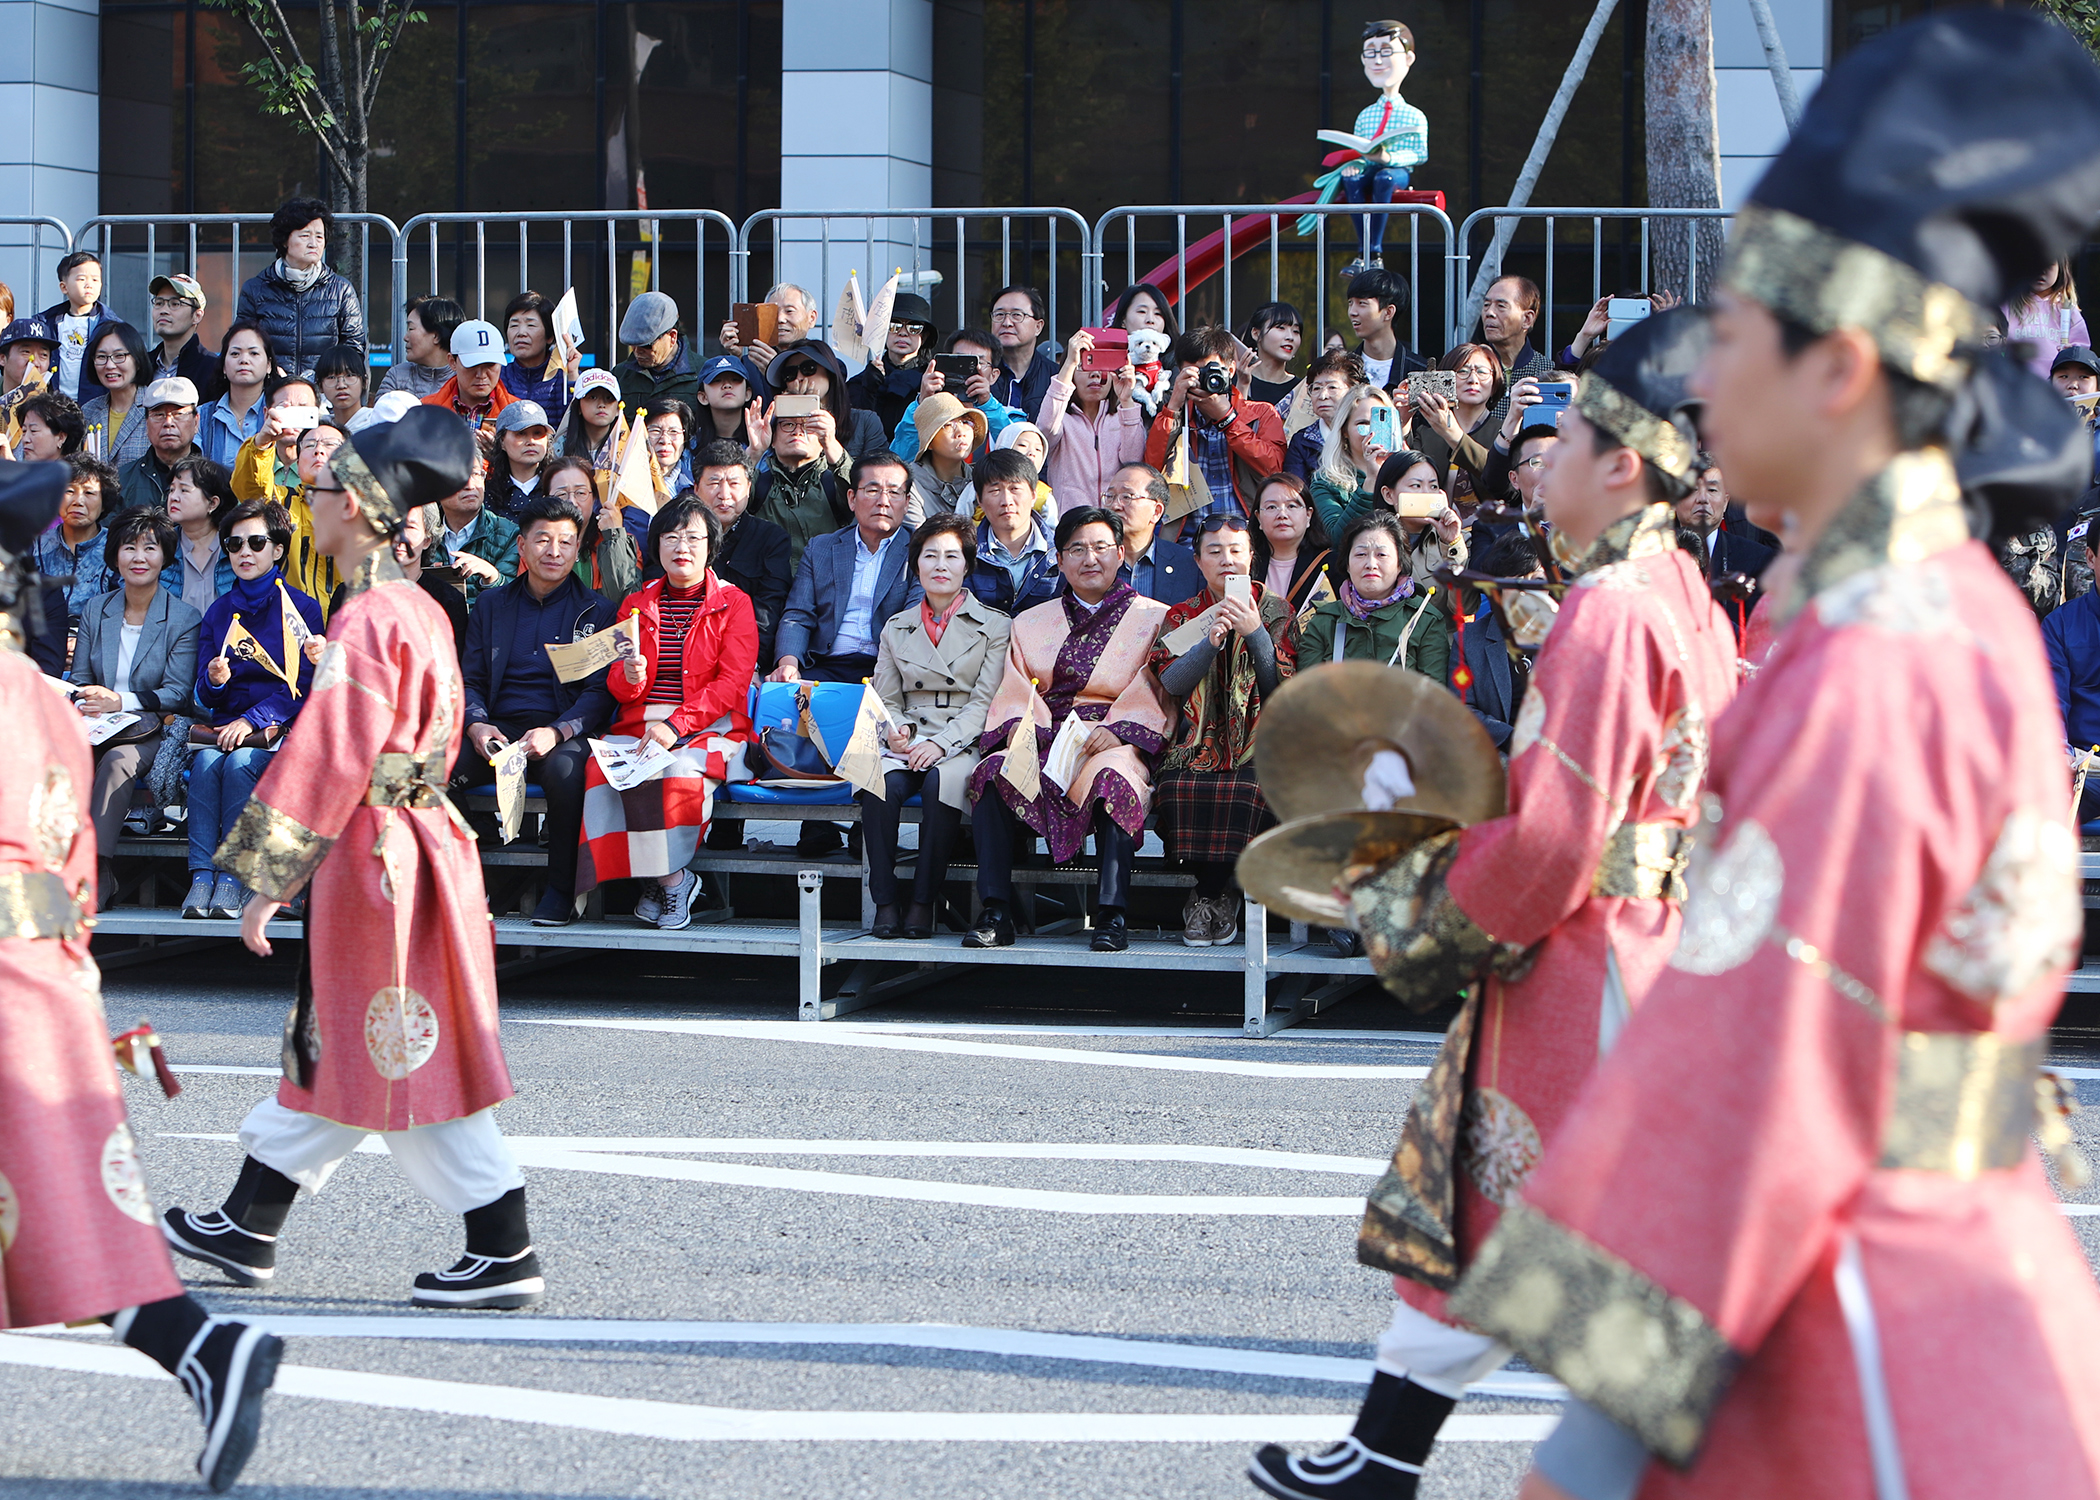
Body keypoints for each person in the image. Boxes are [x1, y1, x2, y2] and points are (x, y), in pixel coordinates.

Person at [1249, 308, 1740, 1500]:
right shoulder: (1684, 590)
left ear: (1619, 467)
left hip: (1586, 957)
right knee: (1538, 1211)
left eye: (1562, 444)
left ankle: (1404, 1453)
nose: (1538, 465)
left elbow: (1562, 833)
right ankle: (1384, 1450)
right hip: (1652, 941)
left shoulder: (1611, 610)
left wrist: (1422, 904)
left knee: (1547, 1211)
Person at [163, 405, 545, 1314]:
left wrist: (267, 877)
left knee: (396, 1041)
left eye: (321, 489)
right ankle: (249, 1219)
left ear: (357, 509)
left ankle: (503, 1244)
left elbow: (331, 750)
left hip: (382, 852)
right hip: (415, 837)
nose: (309, 502)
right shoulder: (415, 607)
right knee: (350, 1034)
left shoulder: (366, 616)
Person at [0, 463, 282, 1494]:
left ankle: (203, 1345)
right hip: (46, 969)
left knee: (52, 1201)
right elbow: (73, 856)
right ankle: (203, 1348)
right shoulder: (40, 697)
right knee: (54, 1200)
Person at [964, 505, 1171, 953]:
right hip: (1046, 732)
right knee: (993, 773)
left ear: (1120, 554)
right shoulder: (1029, 621)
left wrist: (1120, 730)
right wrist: (1033, 733)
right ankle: (996, 911)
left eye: (1101, 547)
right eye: (1077, 549)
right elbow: (1017, 688)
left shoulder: (1156, 618)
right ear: (1059, 560)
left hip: (1111, 735)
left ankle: (1112, 914)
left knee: (1113, 779)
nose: (1089, 558)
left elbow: (1156, 689)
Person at [577, 492, 759, 931]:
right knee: (601, 771)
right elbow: (619, 689)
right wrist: (630, 675)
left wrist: (676, 725)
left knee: (674, 770)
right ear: (656, 544)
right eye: (671, 537)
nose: (682, 547)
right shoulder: (634, 604)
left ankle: (663, 883)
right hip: (639, 723)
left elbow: (732, 685)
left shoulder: (734, 603)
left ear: (711, 546)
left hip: (711, 725)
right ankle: (672, 880)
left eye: (694, 538)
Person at [460, 493, 616, 927]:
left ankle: (560, 891)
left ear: (578, 548)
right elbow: (470, 678)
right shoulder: (491, 605)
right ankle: (475, 881)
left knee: (567, 775)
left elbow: (599, 693)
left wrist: (557, 732)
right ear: (522, 546)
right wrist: (476, 725)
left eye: (566, 542)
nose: (554, 551)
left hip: (559, 729)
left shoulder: (597, 611)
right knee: (436, 771)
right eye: (543, 539)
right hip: (498, 726)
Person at [1148, 511, 1298, 947]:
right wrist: (1208, 643)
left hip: (1260, 740)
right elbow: (1171, 682)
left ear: (1252, 557)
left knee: (1251, 789)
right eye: (1214, 551)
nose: (1226, 560)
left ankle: (1209, 895)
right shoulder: (1183, 614)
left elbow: (1281, 689)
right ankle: (1217, 896)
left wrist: (1255, 634)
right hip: (1197, 740)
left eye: (1236, 550)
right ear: (1198, 561)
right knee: (1178, 787)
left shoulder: (1277, 611)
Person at [861, 513, 1012, 939]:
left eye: (951, 556)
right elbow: (887, 699)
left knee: (939, 783)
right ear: (916, 565)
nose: (940, 565)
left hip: (962, 739)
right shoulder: (896, 627)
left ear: (967, 565)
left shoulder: (996, 625)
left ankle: (922, 901)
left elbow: (985, 701)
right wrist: (897, 731)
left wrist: (942, 743)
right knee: (877, 781)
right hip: (909, 737)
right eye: (930, 556)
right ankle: (885, 900)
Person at [182, 499, 324, 921]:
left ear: (278, 549)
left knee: (240, 763)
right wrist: (215, 681)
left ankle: (233, 877)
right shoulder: (218, 611)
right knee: (206, 762)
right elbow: (204, 696)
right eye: (234, 544)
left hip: (278, 731)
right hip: (226, 730)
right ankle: (201, 876)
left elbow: (303, 687)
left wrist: (251, 720)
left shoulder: (302, 608)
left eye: (256, 543)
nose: (244, 552)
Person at [69, 507, 203, 907]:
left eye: (150, 548)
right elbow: (80, 680)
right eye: (129, 547)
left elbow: (178, 693)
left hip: (150, 729)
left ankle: (95, 870)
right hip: (95, 723)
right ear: (115, 556)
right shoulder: (97, 609)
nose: (139, 557)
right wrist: (87, 701)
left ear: (164, 556)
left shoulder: (183, 618)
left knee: (117, 762)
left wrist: (120, 701)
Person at [772, 453, 917, 688]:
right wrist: (788, 664)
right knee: (778, 697)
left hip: (887, 669)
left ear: (907, 502)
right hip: (825, 665)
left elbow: (915, 620)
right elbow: (798, 615)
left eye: (894, 492)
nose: (883, 501)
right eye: (872, 490)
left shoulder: (920, 551)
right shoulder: (821, 549)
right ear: (852, 498)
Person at [1142, 325, 1289, 533]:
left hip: (1246, 535)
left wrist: (1227, 420)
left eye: (1210, 370)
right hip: (1187, 538)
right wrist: (1173, 406)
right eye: (1194, 373)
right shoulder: (1175, 416)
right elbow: (1151, 471)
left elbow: (1274, 470)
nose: (1204, 380)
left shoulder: (1261, 413)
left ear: (1231, 370)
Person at [1291, 510, 1453, 682]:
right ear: (1347, 564)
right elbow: (1308, 691)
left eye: (1381, 555)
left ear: (1400, 563)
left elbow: (1433, 693)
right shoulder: (1324, 621)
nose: (1371, 564)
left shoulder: (1424, 620)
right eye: (1361, 554)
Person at [234, 197, 367, 372]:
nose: (314, 244)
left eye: (319, 236)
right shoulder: (255, 289)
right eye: (305, 236)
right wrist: (272, 374)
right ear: (284, 241)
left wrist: (324, 378)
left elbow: (354, 348)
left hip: (323, 386)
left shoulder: (341, 290)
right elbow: (241, 344)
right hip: (271, 384)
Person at [691, 440, 790, 666]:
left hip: (744, 656)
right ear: (696, 488)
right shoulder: (679, 535)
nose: (724, 494)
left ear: (748, 487)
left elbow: (768, 611)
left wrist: (748, 662)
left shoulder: (771, 539)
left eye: (734, 483)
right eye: (714, 483)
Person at [1038, 326, 1146, 514]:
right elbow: (1045, 431)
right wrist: (1069, 364)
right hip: (1071, 521)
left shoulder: (1123, 415)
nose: (1095, 374)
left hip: (1114, 520)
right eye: (1085, 365)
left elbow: (1134, 461)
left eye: (1104, 365)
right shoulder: (1060, 417)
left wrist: (1127, 400)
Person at [752, 384, 853, 567]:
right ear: (773, 439)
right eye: (788, 424)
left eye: (808, 425)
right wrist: (754, 451)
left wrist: (831, 443)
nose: (797, 431)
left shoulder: (833, 483)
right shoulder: (759, 484)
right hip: (767, 582)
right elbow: (724, 500)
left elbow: (862, 496)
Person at [887, 328, 1025, 461]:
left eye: (977, 362)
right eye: (959, 361)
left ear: (994, 375)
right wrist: (924, 403)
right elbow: (899, 460)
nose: (968, 371)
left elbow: (1019, 461)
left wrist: (987, 404)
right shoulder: (919, 410)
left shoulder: (1010, 417)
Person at [966, 448, 1060, 614]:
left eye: (1015, 489)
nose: (1006, 501)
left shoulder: (1059, 551)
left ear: (1033, 495)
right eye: (995, 491)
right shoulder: (965, 554)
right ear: (979, 500)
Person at [544, 452, 642, 609]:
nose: (572, 502)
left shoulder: (623, 542)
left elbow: (625, 601)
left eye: (580, 493)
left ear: (594, 497)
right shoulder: (537, 544)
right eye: (561, 494)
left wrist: (614, 538)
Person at [1408, 342, 1502, 505]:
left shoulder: (1505, 432)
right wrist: (1403, 422)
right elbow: (1405, 479)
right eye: (1463, 371)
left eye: (1482, 372)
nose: (1473, 379)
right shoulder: (1427, 434)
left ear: (1494, 383)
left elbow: (1504, 482)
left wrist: (1453, 434)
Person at [34, 451, 118, 626]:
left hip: (96, 636)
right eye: (69, 491)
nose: (78, 501)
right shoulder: (36, 547)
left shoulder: (116, 548)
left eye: (89, 493)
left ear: (104, 503)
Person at [767, 342, 887, 462]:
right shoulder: (777, 426)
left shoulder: (865, 422)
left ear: (829, 373)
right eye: (790, 374)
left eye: (809, 369)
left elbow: (878, 471)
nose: (799, 378)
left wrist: (831, 444)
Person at [1311, 381, 1403, 536]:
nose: (1372, 431)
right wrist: (1370, 482)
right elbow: (1337, 538)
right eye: (1363, 423)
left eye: (1380, 422)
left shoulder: (1405, 472)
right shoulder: (1325, 481)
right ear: (1344, 430)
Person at [1103, 461, 1200, 606]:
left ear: (1156, 512)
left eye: (1127, 497)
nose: (1115, 505)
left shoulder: (1189, 566)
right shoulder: (1090, 560)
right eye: (1110, 496)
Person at [426, 453, 519, 605]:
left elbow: (516, 600)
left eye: (475, 474)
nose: (470, 485)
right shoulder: (422, 534)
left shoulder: (510, 534)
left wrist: (493, 578)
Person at [846, 291, 938, 438]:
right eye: (894, 325)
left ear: (924, 336)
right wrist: (868, 390)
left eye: (914, 328)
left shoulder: (934, 382)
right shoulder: (861, 382)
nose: (903, 333)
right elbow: (853, 431)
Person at [384, 501, 468, 648]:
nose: (399, 536)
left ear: (427, 541)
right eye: (392, 525)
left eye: (409, 527)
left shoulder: (447, 599)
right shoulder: (352, 593)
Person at [1677, 460, 1777, 581]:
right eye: (1693, 489)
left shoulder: (1756, 558)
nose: (1703, 499)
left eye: (1712, 490)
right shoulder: (1657, 553)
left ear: (1725, 502)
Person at [162, 454, 237, 612]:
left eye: (184, 490)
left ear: (213, 503)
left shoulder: (235, 547)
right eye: (171, 490)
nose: (173, 497)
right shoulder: (161, 545)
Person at [117, 375, 203, 512]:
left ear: (196, 422)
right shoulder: (123, 479)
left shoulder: (212, 479)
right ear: (146, 423)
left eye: (178, 414)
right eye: (158, 415)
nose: (168, 423)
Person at [1250, 471, 1334, 611]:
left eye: (1292, 506)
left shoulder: (1331, 565)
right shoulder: (1246, 565)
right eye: (1271, 507)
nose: (1282, 514)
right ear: (1258, 517)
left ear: (1308, 515)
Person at [1477, 275, 1553, 425]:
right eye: (1486, 305)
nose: (1489, 312)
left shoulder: (1546, 371)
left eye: (1501, 306)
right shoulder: (1467, 369)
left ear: (1527, 319)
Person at [1284, 348, 1367, 485]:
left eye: (1332, 388)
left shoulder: (1367, 433)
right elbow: (1295, 490)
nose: (1323, 396)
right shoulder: (1302, 441)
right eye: (1316, 388)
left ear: (1353, 390)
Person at [197, 321, 274, 467]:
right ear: (224, 367)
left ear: (268, 365)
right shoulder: (202, 417)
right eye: (235, 354)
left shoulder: (278, 414)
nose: (244, 360)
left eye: (254, 353)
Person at [79, 319, 154, 468]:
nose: (110, 365)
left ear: (137, 360)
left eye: (119, 356)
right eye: (101, 357)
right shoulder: (88, 411)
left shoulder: (154, 407)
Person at [39, 248, 111, 402]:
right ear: (64, 287)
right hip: (56, 403)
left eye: (95, 279)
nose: (89, 285)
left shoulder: (110, 324)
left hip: (96, 402)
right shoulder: (47, 322)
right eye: (81, 279)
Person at [499, 290, 576, 427]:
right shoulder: (498, 376)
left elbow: (576, 423)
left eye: (531, 325)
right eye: (514, 325)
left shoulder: (564, 377)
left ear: (550, 336)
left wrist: (573, 375)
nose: (521, 333)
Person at [905, 391, 986, 522]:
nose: (961, 432)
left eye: (965, 422)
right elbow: (916, 533)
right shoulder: (909, 486)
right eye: (948, 425)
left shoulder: (982, 480)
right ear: (929, 442)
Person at [2004, 257, 2089, 380]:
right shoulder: (2007, 306)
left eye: (2049, 264)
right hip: (2015, 382)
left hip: (2054, 385)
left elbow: (2081, 352)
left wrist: (2072, 353)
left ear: (2060, 269)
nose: (2041, 270)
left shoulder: (2067, 310)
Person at [1345, 267, 1431, 389]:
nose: (1352, 312)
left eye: (1362, 303)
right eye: (1350, 303)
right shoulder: (1342, 369)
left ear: (1389, 312)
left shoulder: (1419, 372)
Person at [424, 319, 515, 433]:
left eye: (490, 365)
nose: (481, 375)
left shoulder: (521, 415)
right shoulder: (424, 411)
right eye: (472, 365)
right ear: (452, 362)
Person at [612, 290, 697, 410]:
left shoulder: (703, 376)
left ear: (672, 337)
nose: (637, 351)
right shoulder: (619, 376)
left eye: (647, 345)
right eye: (633, 344)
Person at [716, 282, 820, 376]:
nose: (780, 319)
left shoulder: (821, 361)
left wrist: (775, 372)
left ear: (811, 318)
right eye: (773, 312)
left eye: (789, 311)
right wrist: (736, 356)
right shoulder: (754, 360)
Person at [988, 284, 1058, 418]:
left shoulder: (1055, 377)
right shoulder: (982, 373)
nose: (1007, 322)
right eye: (999, 315)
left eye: (1016, 315)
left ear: (1038, 327)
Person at [377, 295, 464, 401]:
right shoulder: (397, 376)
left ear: (436, 336)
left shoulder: (464, 380)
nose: (405, 338)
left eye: (411, 328)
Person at [146, 271, 221, 391]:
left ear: (197, 316)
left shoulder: (212, 369)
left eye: (175, 304)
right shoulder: (142, 365)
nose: (163, 310)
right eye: (159, 303)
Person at [485, 399, 556, 523]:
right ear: (502, 441)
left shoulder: (557, 487)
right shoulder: (487, 493)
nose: (531, 441)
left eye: (538, 433)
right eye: (521, 433)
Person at [557, 366, 625, 476]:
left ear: (618, 409)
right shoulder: (559, 448)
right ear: (578, 407)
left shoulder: (628, 448)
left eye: (609, 398)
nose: (601, 404)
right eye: (592, 397)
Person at [1241, 301, 1304, 410]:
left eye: (1296, 331)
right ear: (1256, 334)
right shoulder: (1236, 380)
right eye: (1281, 328)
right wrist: (1242, 385)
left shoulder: (1302, 390)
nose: (1290, 337)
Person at [694, 352, 756, 450]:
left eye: (735, 379)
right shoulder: (691, 447)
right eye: (717, 380)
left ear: (747, 394)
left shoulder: (760, 441)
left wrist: (756, 452)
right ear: (703, 397)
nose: (727, 385)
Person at [640, 396, 697, 497]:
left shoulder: (697, 484)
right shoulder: (624, 482)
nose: (665, 440)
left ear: (685, 437)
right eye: (655, 431)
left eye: (673, 431)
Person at [17, 389, 83, 462]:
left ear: (61, 438)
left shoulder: (76, 469)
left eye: (33, 430)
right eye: (24, 431)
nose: (25, 439)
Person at [313, 343, 369, 427]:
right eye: (332, 377)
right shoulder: (317, 428)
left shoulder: (376, 423)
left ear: (364, 382)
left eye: (349, 375)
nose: (341, 385)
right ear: (320, 385)